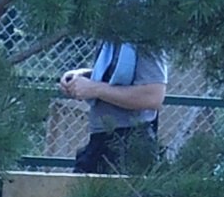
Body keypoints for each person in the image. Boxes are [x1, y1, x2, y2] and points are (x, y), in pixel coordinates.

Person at [60, 40, 169, 173]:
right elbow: (116, 74)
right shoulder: (111, 36)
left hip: (129, 144)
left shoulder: (145, 38)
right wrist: (83, 77)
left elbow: (153, 96)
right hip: (100, 140)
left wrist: (95, 89)